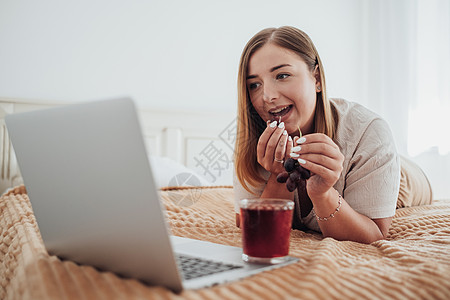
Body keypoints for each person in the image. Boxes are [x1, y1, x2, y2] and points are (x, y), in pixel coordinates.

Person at [233, 26, 400, 244]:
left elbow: (374, 235)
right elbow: (255, 229)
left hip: (402, 178)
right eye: (254, 84)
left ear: (317, 78)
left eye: (282, 75)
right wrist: (278, 176)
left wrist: (324, 194)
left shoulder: (369, 132)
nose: (267, 96)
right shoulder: (253, 136)